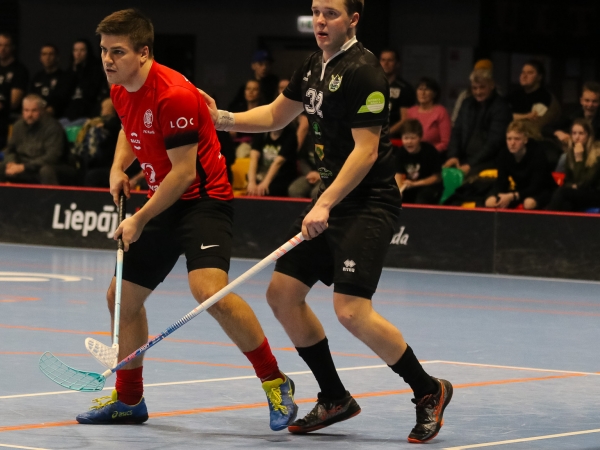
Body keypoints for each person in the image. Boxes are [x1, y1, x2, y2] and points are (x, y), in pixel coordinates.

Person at [202, 0, 452, 442]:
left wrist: (324, 204)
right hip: (331, 200)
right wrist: (222, 119)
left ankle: (428, 390)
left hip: (367, 203)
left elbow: (366, 152)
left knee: (351, 311)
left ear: (353, 19)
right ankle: (335, 397)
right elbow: (277, 114)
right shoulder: (312, 65)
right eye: (316, 11)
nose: (320, 20)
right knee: (282, 295)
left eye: (331, 13)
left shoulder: (365, 72)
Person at [75, 9, 298, 431]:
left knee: (209, 292)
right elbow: (129, 129)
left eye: (117, 52)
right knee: (121, 297)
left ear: (143, 53)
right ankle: (129, 399)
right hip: (164, 198)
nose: (107, 59)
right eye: (103, 50)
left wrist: (139, 219)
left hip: (203, 201)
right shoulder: (121, 86)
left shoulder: (173, 94)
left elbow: (183, 175)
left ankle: (275, 381)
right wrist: (118, 168)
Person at [445, 68, 512, 177]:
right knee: (442, 175)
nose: (478, 92)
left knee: (462, 180)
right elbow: (457, 131)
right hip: (464, 157)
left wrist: (470, 164)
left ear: (491, 85)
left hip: (490, 160)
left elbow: (494, 143)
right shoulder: (467, 104)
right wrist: (453, 155)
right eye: (474, 88)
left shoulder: (501, 107)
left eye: (482, 87)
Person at [0, 94, 66, 185]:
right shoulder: (18, 126)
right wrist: (12, 163)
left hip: (48, 166)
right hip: (22, 165)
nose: (29, 115)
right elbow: (10, 150)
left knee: (46, 171)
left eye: (34, 111)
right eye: (26, 110)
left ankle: (51, 195)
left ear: (41, 110)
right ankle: (0, 195)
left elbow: (52, 157)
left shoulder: (53, 127)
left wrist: (24, 167)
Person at [485, 121, 556, 210]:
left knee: (529, 203)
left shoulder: (537, 153)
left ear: (525, 140)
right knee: (490, 202)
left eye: (517, 139)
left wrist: (513, 196)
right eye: (509, 139)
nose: (512, 143)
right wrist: (497, 195)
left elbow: (536, 186)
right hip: (520, 190)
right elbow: (501, 181)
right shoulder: (504, 154)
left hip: (543, 190)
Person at [547, 119, 600, 211]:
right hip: (578, 192)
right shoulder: (571, 153)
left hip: (595, 193)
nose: (577, 137)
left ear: (589, 136)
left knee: (562, 193)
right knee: (566, 204)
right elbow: (567, 180)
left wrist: (579, 159)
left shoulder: (597, 154)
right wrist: (572, 186)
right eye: (574, 133)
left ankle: (547, 217)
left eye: (581, 133)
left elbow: (585, 183)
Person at [395, 120, 443, 204]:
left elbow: (437, 177)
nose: (409, 141)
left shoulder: (430, 151)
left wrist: (415, 184)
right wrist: (399, 190)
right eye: (406, 138)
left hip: (429, 187)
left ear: (420, 137)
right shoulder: (400, 153)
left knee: (422, 197)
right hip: (410, 186)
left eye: (413, 138)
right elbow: (398, 173)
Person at [507, 60, 560, 135]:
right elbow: (502, 115)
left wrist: (514, 117)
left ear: (539, 77)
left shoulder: (545, 97)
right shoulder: (514, 95)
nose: (524, 76)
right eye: (523, 72)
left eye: (530, 73)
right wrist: (526, 116)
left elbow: (533, 125)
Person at [246, 125, 299, 197]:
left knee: (267, 190)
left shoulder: (290, 134)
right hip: (262, 173)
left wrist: (265, 183)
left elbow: (278, 163)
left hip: (282, 176)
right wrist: (251, 182)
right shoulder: (261, 132)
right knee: (251, 190)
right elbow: (254, 158)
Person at [64, 38, 108, 120]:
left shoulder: (95, 70)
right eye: (75, 50)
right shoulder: (69, 72)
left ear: (88, 52)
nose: (78, 53)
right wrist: (74, 70)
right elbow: (64, 95)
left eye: (82, 50)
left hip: (88, 114)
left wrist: (79, 70)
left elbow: (90, 94)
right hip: (69, 114)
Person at [406, 77, 451, 152]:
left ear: (434, 93)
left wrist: (428, 153)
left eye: (426, 89)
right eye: (420, 89)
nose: (422, 93)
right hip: (413, 153)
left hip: (435, 154)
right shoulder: (411, 111)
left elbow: (446, 142)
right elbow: (407, 136)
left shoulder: (441, 112)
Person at [30, 44, 74, 118]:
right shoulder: (37, 77)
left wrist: (42, 115)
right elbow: (31, 97)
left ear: (57, 57)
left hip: (56, 117)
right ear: (40, 57)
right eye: (44, 54)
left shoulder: (64, 77)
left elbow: (59, 102)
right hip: (35, 114)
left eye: (51, 54)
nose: (47, 57)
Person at [379, 48, 416, 138]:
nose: (386, 63)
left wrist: (385, 134)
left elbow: (405, 119)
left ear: (397, 64)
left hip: (395, 138)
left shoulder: (405, 88)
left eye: (390, 60)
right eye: (383, 60)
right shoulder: (371, 85)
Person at [0, 33, 29, 115]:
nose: (2, 49)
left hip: (10, 115)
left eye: (6, 45)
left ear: (12, 47)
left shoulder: (20, 70)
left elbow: (14, 103)